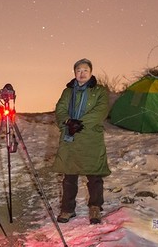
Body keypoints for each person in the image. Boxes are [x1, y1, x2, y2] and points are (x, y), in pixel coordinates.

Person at [52, 58, 110, 225]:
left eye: (85, 70)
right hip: (71, 136)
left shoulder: (99, 91)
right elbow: (60, 108)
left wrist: (81, 122)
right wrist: (68, 121)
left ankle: (95, 207)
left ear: (90, 72)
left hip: (91, 137)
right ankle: (68, 209)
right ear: (74, 73)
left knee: (94, 176)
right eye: (78, 70)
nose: (82, 73)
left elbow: (101, 110)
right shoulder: (67, 92)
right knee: (69, 176)